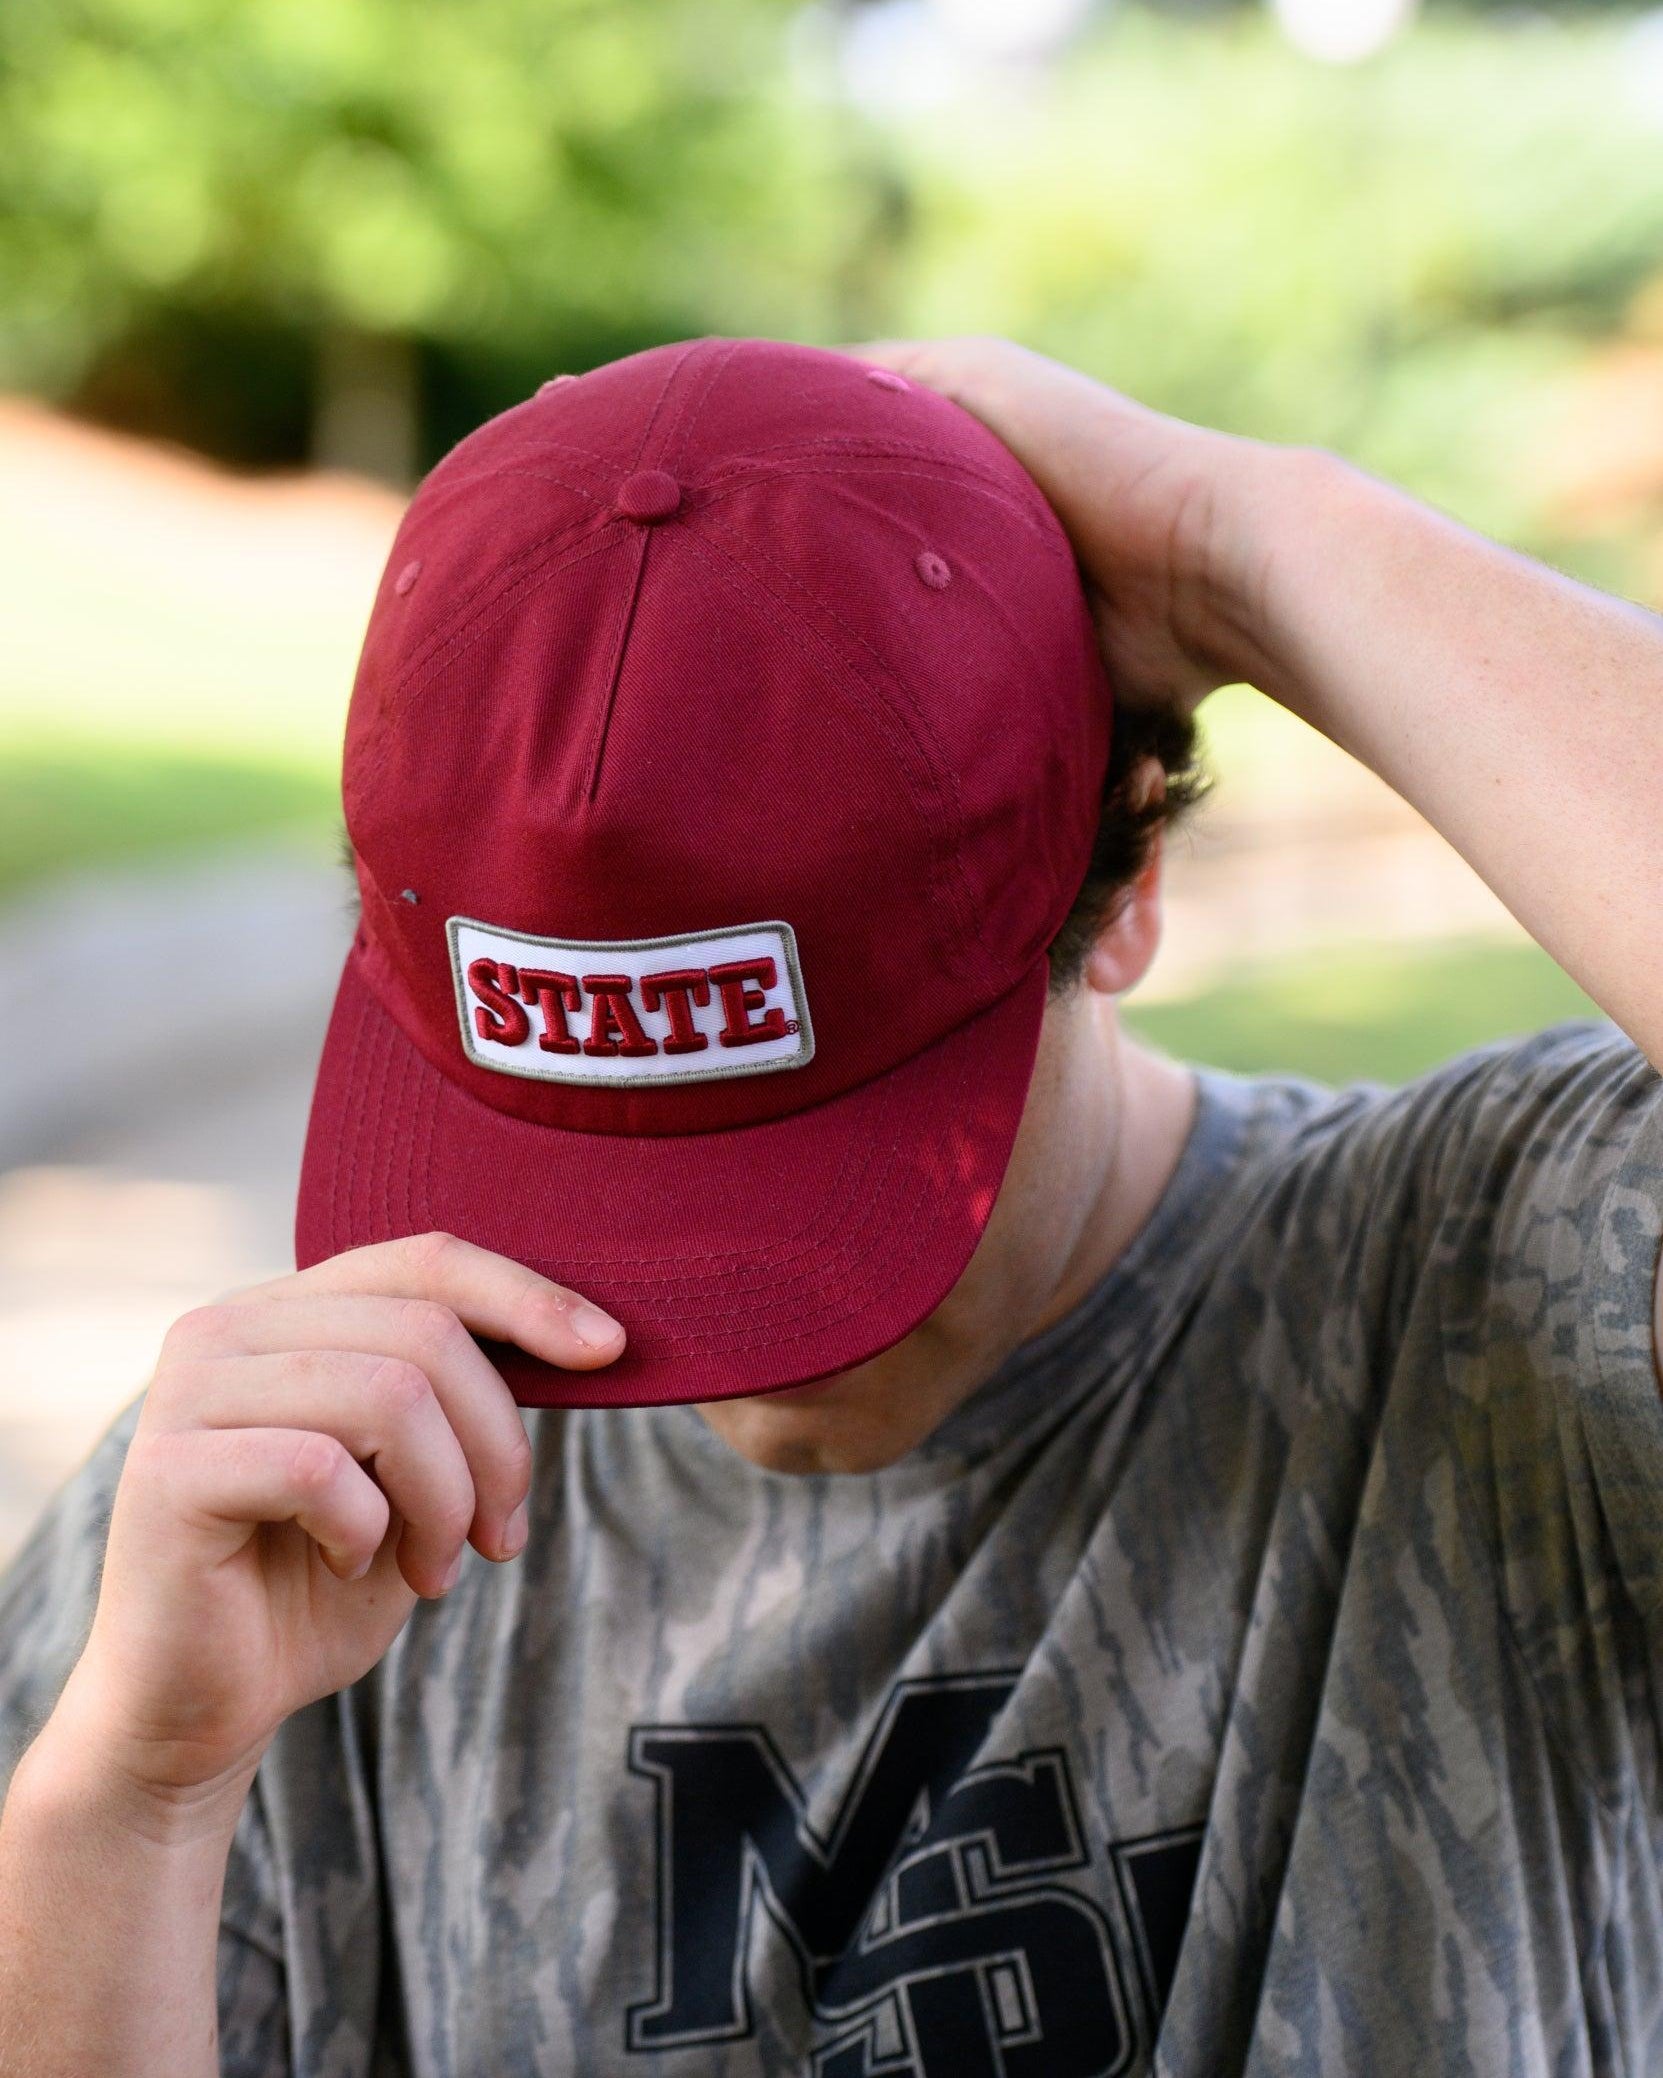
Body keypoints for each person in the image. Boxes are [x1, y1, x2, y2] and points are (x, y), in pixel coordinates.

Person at [1, 332, 1660, 2078]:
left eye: (815, 1149)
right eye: (573, 1152)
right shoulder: (289, 1495)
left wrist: (1240, 532)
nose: (690, 1321)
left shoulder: (1486, 1305)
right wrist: (131, 1806)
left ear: (1132, 877)